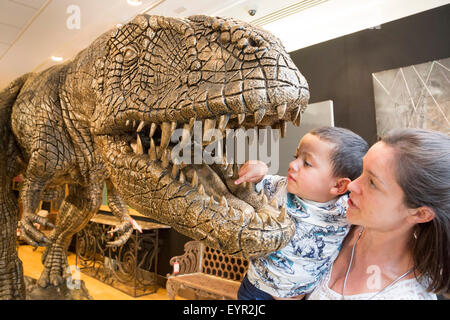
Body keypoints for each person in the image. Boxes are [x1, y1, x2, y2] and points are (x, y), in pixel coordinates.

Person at [306, 128, 449, 300]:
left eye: (373, 183)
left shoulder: (403, 295)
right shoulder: (338, 213)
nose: (352, 185)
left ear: (420, 214)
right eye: (363, 170)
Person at [235, 126, 369, 299]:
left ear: (338, 186)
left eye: (306, 163)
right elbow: (253, 184)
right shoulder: (280, 187)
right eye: (296, 157)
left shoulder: (346, 209)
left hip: (299, 295)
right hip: (256, 288)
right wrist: (257, 170)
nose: (292, 165)